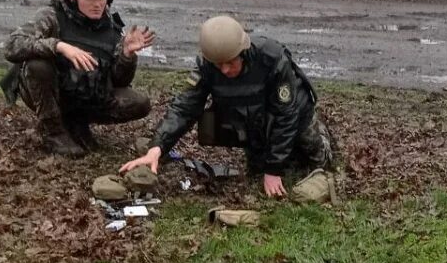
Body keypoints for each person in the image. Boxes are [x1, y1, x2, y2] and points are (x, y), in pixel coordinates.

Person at [120, 16, 336, 198]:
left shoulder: (272, 58)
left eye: (230, 62)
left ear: (242, 51)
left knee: (319, 161)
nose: (224, 70)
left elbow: (286, 115)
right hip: (254, 121)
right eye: (218, 64)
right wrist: (157, 147)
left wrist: (273, 169)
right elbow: (185, 107)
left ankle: (321, 137)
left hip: (293, 115)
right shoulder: (207, 66)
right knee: (257, 172)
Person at [2, 0, 154, 156]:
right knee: (37, 66)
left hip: (87, 95)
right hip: (52, 92)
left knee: (140, 102)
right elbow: (12, 46)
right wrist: (58, 46)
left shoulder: (111, 28)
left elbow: (120, 81)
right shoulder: (52, 16)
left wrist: (127, 55)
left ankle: (76, 122)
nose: (97, 3)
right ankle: (53, 131)